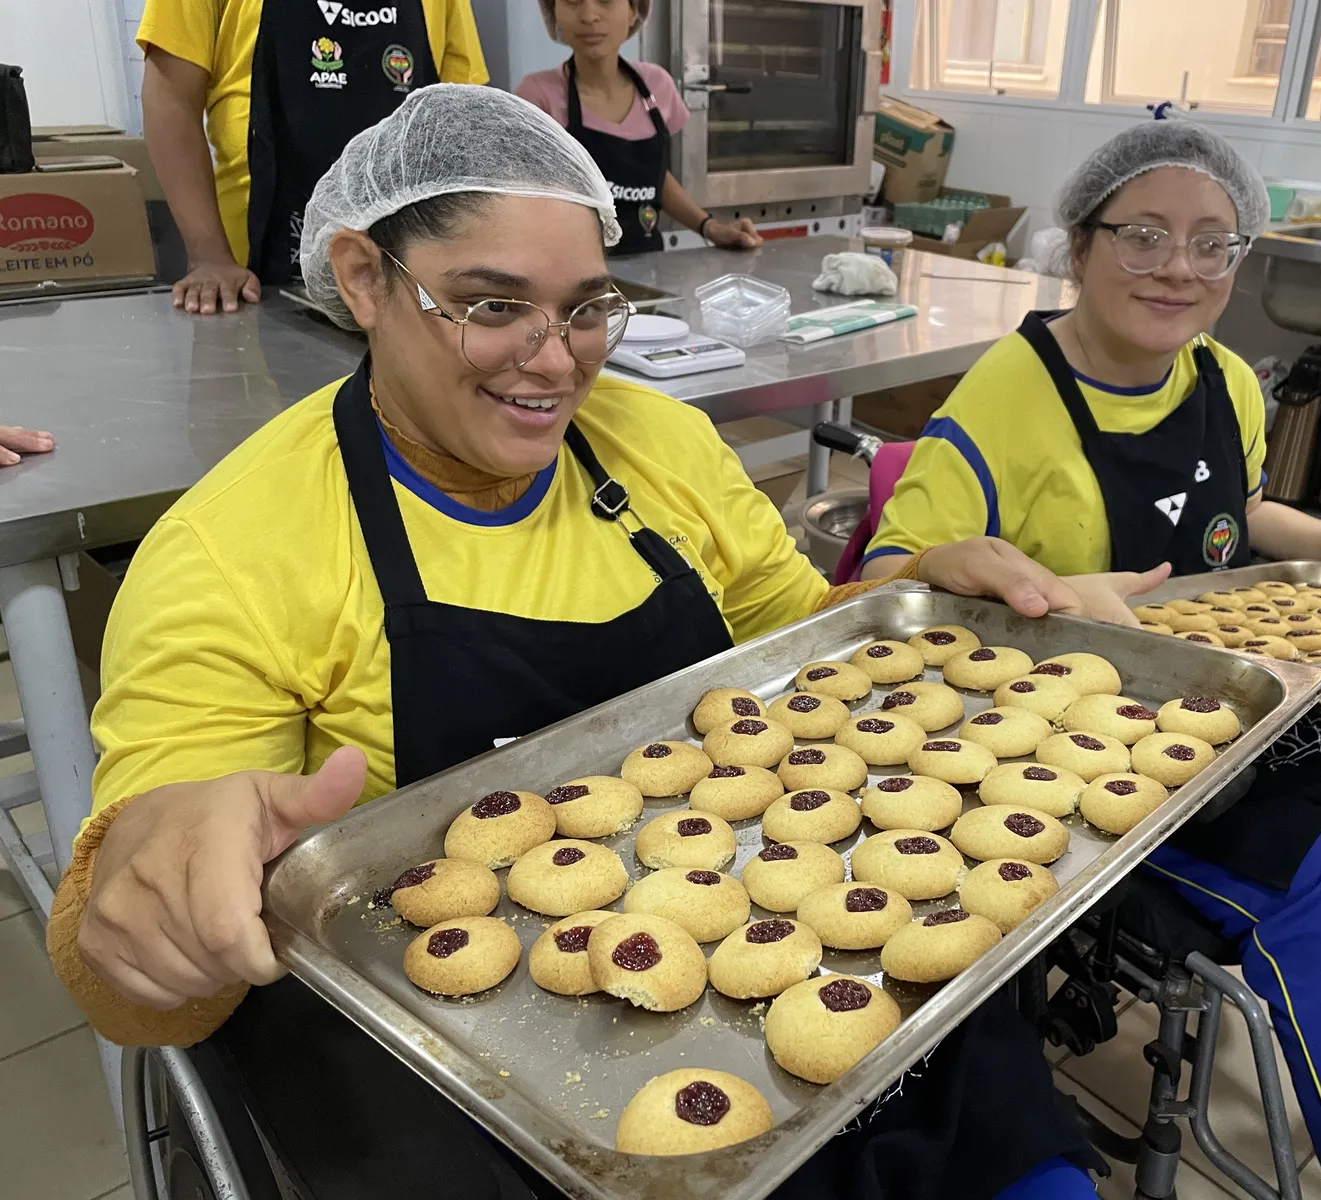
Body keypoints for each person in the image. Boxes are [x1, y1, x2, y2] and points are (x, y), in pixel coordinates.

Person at [43, 85, 1144, 1200]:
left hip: (786, 953)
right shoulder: (234, 549)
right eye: (490, 305)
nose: (556, 360)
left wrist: (912, 582)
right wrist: (157, 884)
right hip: (489, 1068)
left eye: (586, 308)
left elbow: (793, 650)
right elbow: (132, 986)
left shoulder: (658, 438)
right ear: (367, 280)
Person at [863, 120, 1321, 1200]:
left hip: (1252, 708)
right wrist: (1028, 583)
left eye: (1215, 243)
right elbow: (892, 576)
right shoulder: (1001, 399)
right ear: (1080, 241)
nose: (1179, 267)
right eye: (1145, 234)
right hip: (1096, 751)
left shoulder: (1224, 380)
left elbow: (1235, 513)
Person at [137, 0, 488, 315]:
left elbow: (463, 117)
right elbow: (171, 98)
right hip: (254, 283)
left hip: (412, 282)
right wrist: (209, 256)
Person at [516, 0, 761, 254]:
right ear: (553, 12)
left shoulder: (657, 85)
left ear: (634, 11)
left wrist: (710, 228)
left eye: (606, 1)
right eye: (572, 1)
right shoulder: (537, 97)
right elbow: (522, 202)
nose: (589, 15)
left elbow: (653, 177)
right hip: (573, 269)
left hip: (647, 263)